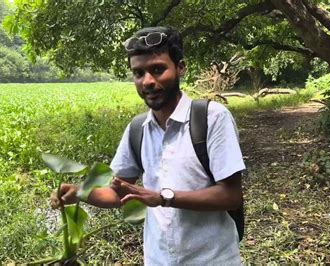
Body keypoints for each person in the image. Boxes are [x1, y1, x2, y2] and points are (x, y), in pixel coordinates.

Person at [51, 26, 246, 265]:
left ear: (181, 67)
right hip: (158, 259)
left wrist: (163, 197)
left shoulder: (212, 118)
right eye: (138, 73)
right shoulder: (137, 129)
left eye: (158, 69)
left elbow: (231, 195)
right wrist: (80, 192)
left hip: (212, 259)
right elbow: (117, 192)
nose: (148, 81)